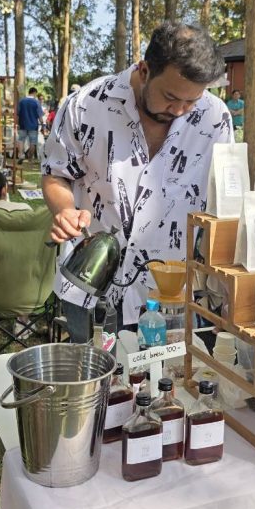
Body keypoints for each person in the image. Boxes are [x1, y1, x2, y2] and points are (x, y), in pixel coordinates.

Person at [42, 21, 233, 337]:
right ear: (145, 70)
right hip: (89, 284)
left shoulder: (215, 119)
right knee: (94, 369)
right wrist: (64, 210)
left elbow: (223, 204)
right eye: (170, 96)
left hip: (170, 295)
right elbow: (55, 174)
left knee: (168, 370)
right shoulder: (87, 104)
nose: (180, 110)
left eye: (192, 101)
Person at [16, 87, 44, 160]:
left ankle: (21, 155)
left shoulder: (21, 101)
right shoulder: (36, 102)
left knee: (21, 140)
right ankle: (30, 158)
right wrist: (42, 124)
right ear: (34, 93)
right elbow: (40, 116)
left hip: (22, 124)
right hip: (33, 126)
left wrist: (17, 124)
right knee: (33, 142)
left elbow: (17, 114)